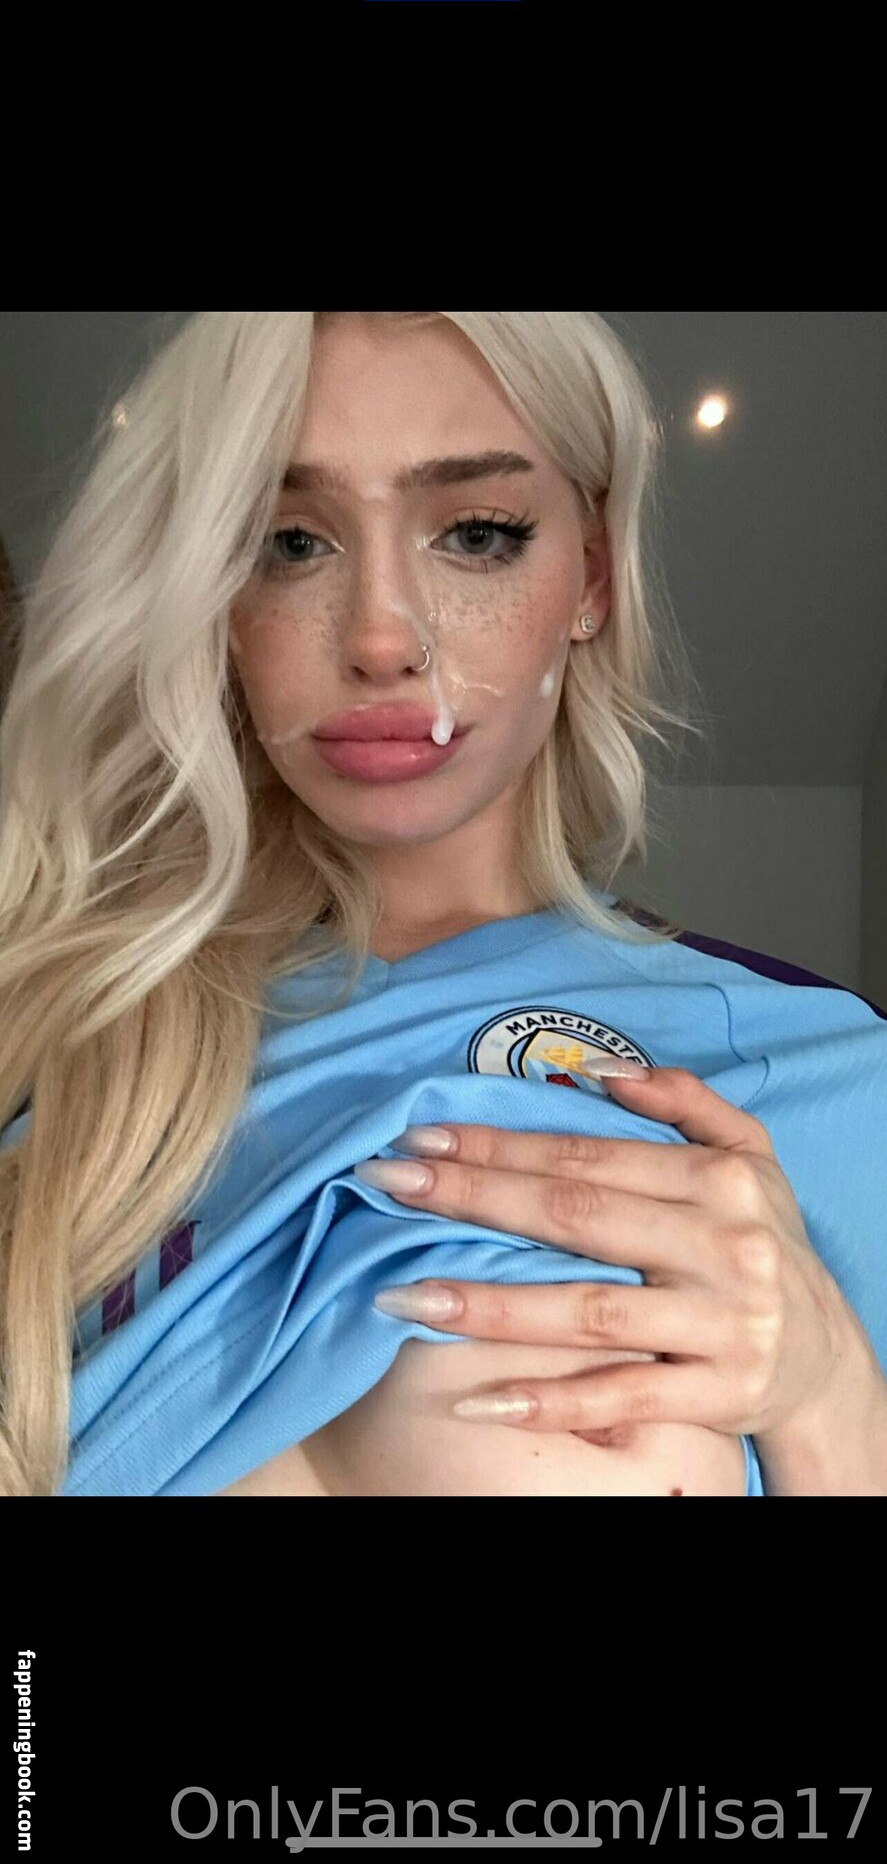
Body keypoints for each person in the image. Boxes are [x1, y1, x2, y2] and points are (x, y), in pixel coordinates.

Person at [1, 311, 885, 1498]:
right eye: (288, 542)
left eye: (476, 533)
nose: (380, 636)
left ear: (589, 579)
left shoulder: (832, 1076)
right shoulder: (59, 1034)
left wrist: (832, 1408)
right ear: (216, 599)